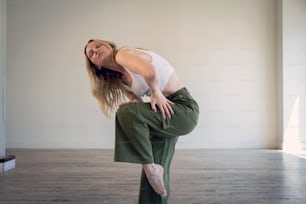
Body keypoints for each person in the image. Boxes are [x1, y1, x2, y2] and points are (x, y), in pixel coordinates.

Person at [84, 39, 199, 204]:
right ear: (96, 65)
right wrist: (134, 106)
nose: (95, 51)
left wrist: (155, 92)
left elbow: (150, 72)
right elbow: (136, 103)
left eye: (97, 46)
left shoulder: (122, 54)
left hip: (182, 108)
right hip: (164, 111)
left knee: (125, 114)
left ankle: (150, 168)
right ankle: (154, 175)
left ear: (108, 46)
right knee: (156, 176)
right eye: (91, 54)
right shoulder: (119, 79)